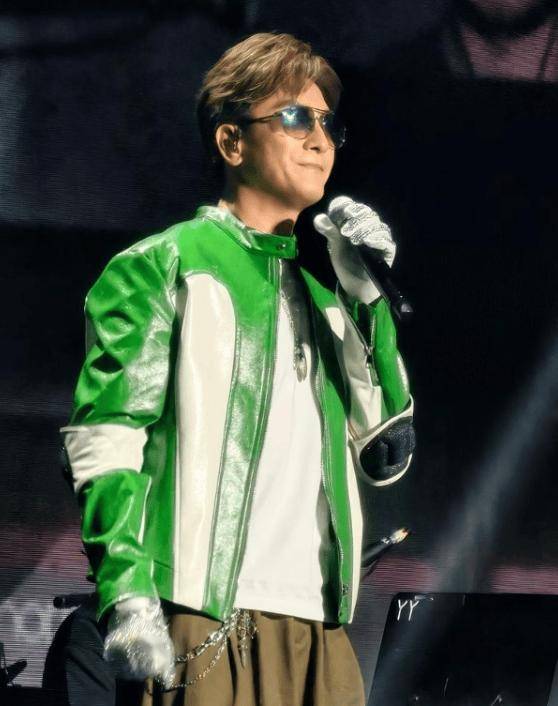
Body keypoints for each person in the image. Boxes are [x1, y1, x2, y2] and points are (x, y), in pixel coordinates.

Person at [60, 32, 414, 706]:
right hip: (201, 609)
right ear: (231, 142)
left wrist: (365, 298)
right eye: (296, 117)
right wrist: (127, 592)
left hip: (318, 625)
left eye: (329, 124)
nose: (320, 139)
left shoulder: (327, 300)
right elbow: (106, 442)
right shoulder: (163, 266)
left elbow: (388, 451)